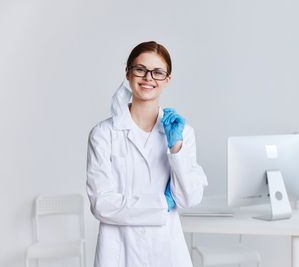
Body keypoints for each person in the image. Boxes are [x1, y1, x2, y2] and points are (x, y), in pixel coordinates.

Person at [86, 41, 208, 267]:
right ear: (128, 73)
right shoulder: (103, 134)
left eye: (158, 72)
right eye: (140, 69)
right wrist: (161, 203)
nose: (148, 78)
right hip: (119, 253)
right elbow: (101, 204)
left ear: (167, 79)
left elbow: (189, 198)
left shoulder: (182, 134)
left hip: (167, 251)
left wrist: (176, 149)